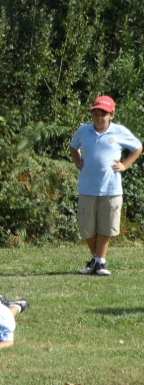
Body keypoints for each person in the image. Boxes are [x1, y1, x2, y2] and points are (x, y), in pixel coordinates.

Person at [69, 95, 142, 276]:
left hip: (111, 188)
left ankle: (100, 261)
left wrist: (125, 165)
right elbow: (73, 146)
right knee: (87, 228)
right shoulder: (84, 131)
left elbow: (137, 147)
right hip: (87, 187)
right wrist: (77, 160)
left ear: (111, 114)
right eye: (96, 113)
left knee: (105, 226)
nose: (99, 117)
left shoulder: (119, 131)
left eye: (103, 113)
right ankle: (96, 260)